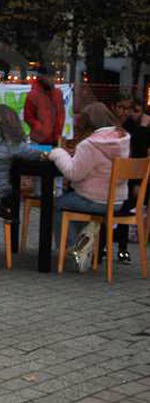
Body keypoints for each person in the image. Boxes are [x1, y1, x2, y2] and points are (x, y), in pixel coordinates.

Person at [48, 102, 130, 272]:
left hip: (94, 200)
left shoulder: (90, 144)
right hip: (117, 201)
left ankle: (74, 248)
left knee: (57, 203)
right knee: (72, 203)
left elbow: (73, 174)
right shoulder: (123, 139)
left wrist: (58, 153)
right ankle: (83, 239)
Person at [113, 95, 150, 263]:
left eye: (136, 111)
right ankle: (119, 247)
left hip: (137, 175)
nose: (131, 114)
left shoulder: (143, 126)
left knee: (126, 206)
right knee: (123, 207)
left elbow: (142, 147)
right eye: (129, 110)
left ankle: (123, 248)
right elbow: (133, 144)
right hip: (125, 174)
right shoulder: (128, 126)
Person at [24, 65, 65, 146]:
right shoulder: (33, 95)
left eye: (53, 76)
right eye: (50, 76)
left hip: (55, 137)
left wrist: (59, 128)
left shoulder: (58, 93)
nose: (53, 79)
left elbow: (61, 113)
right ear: (42, 77)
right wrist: (41, 129)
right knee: (40, 158)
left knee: (53, 157)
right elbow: (28, 116)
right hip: (39, 139)